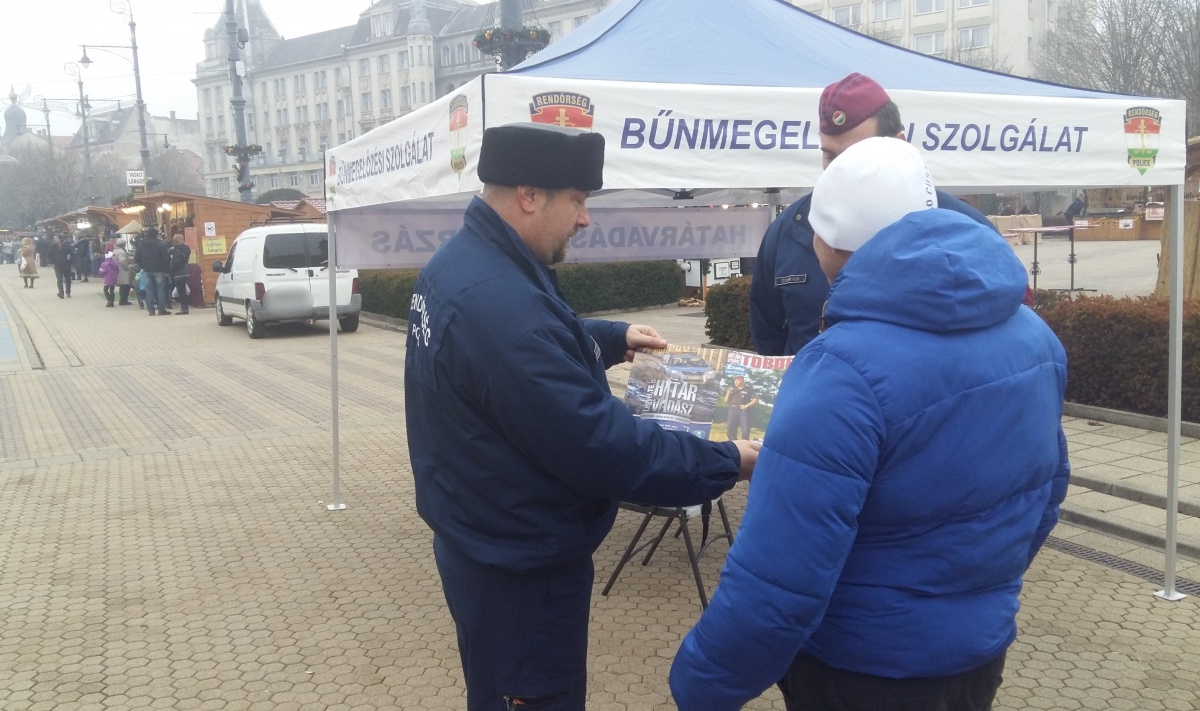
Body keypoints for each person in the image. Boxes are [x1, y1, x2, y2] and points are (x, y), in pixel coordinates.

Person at [670, 138, 1069, 711]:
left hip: (863, 667)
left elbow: (780, 579)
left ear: (829, 243)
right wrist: (970, 597)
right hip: (977, 656)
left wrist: (701, 684)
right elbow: (1046, 493)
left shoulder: (839, 371)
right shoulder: (1035, 337)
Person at [404, 122, 760, 711]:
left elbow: (528, 345)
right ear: (529, 195)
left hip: (485, 544)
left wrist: (613, 338)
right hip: (523, 574)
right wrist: (728, 460)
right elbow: (605, 446)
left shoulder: (464, 264)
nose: (585, 219)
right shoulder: (499, 304)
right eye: (577, 200)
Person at [750, 72, 1001, 356]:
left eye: (856, 156)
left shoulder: (965, 229)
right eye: (830, 156)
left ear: (900, 144)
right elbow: (768, 335)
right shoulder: (790, 229)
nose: (838, 171)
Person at [134, 229, 171, 316]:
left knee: (149, 290)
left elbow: (137, 258)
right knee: (160, 290)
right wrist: (166, 270)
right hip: (159, 270)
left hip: (147, 270)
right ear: (156, 234)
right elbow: (166, 258)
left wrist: (143, 266)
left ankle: (151, 310)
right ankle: (161, 309)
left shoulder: (141, 244)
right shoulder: (161, 244)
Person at [722, 376, 758, 440]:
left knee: (745, 430)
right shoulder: (733, 390)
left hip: (743, 411)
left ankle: (744, 443)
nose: (736, 382)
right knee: (730, 429)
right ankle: (734, 442)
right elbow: (726, 401)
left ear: (743, 381)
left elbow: (755, 400)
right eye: (735, 381)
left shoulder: (749, 390)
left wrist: (746, 406)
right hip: (733, 410)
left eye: (738, 381)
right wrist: (728, 393)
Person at [167, 234, 191, 315]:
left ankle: (184, 309)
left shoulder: (177, 251)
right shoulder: (186, 249)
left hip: (178, 273)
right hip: (185, 271)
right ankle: (185, 308)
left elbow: (176, 263)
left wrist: (170, 268)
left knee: (181, 292)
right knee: (183, 290)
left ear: (175, 241)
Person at [48, 234, 75, 299]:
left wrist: (70, 261)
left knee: (67, 279)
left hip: (66, 265)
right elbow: (49, 255)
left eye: (56, 238)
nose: (54, 239)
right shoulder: (52, 246)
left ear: (60, 239)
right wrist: (53, 262)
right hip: (57, 265)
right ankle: (61, 293)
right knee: (59, 279)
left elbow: (72, 254)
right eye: (54, 238)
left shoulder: (67, 246)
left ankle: (68, 292)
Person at [113, 237, 135, 306]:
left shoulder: (115, 251)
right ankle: (123, 300)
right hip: (122, 271)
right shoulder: (121, 252)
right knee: (125, 286)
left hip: (117, 270)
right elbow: (122, 261)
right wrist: (127, 267)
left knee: (122, 286)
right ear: (122, 244)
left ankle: (122, 300)